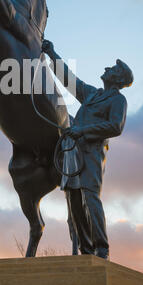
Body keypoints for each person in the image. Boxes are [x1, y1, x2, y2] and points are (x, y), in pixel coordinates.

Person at [42, 39, 133, 259]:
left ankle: (102, 249)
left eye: (112, 69)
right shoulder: (92, 94)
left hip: (92, 154)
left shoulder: (118, 100)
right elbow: (69, 80)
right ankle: (86, 249)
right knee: (74, 201)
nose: (106, 69)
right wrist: (52, 53)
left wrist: (82, 130)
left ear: (118, 78)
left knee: (90, 198)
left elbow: (115, 126)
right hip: (73, 152)